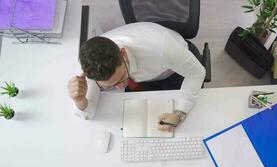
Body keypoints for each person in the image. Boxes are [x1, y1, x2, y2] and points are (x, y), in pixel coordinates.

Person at [67, 22, 206, 132]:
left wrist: (180, 114)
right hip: (140, 79)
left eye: (121, 78)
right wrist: (80, 101)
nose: (121, 87)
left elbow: (197, 72)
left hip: (172, 72)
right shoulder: (91, 64)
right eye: (110, 85)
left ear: (124, 54)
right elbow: (88, 112)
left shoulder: (163, 49)